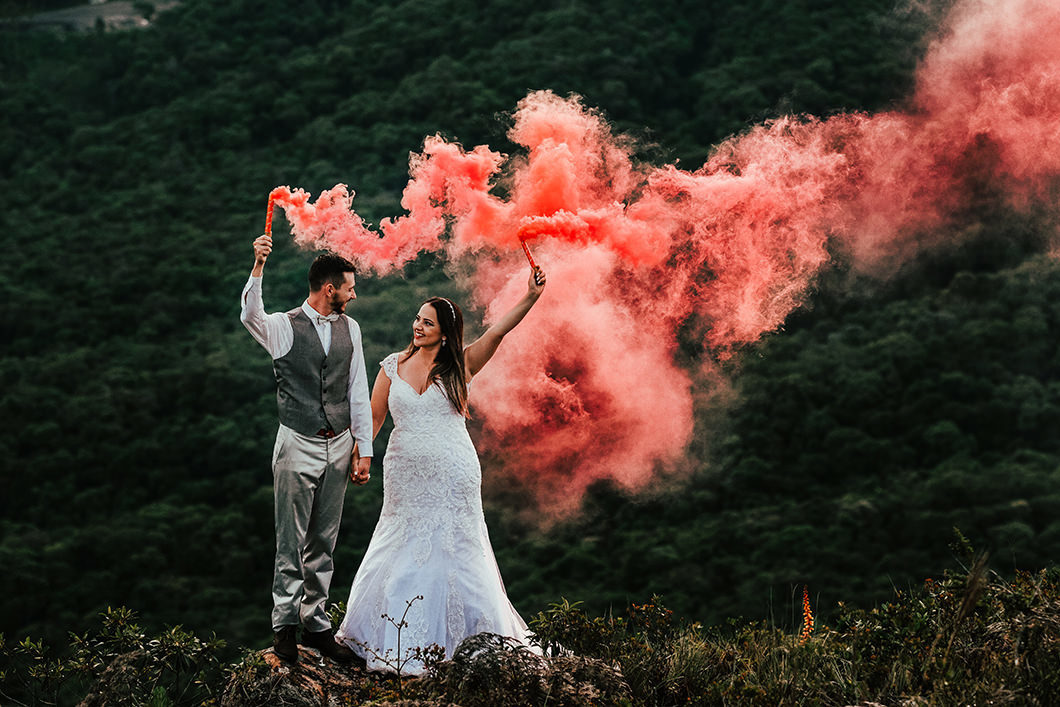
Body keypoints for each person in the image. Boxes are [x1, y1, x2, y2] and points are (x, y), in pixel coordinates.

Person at [334, 266, 547, 673]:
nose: (418, 326)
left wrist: (530, 296)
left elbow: (497, 333)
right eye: (417, 319)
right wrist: (362, 457)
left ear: (445, 333)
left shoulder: (460, 367)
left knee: (457, 549)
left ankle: (466, 640)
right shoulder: (391, 366)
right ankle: (392, 639)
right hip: (404, 473)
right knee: (399, 543)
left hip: (454, 472)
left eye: (427, 323)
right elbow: (374, 419)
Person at [240, 233, 373, 664]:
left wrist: (363, 448)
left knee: (324, 539)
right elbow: (250, 315)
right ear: (329, 288)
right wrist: (258, 265)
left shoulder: (351, 328)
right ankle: (284, 626)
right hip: (296, 443)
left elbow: (357, 392)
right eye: (349, 287)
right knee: (290, 539)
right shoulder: (283, 326)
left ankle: (316, 624)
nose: (354, 294)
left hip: (339, 443)